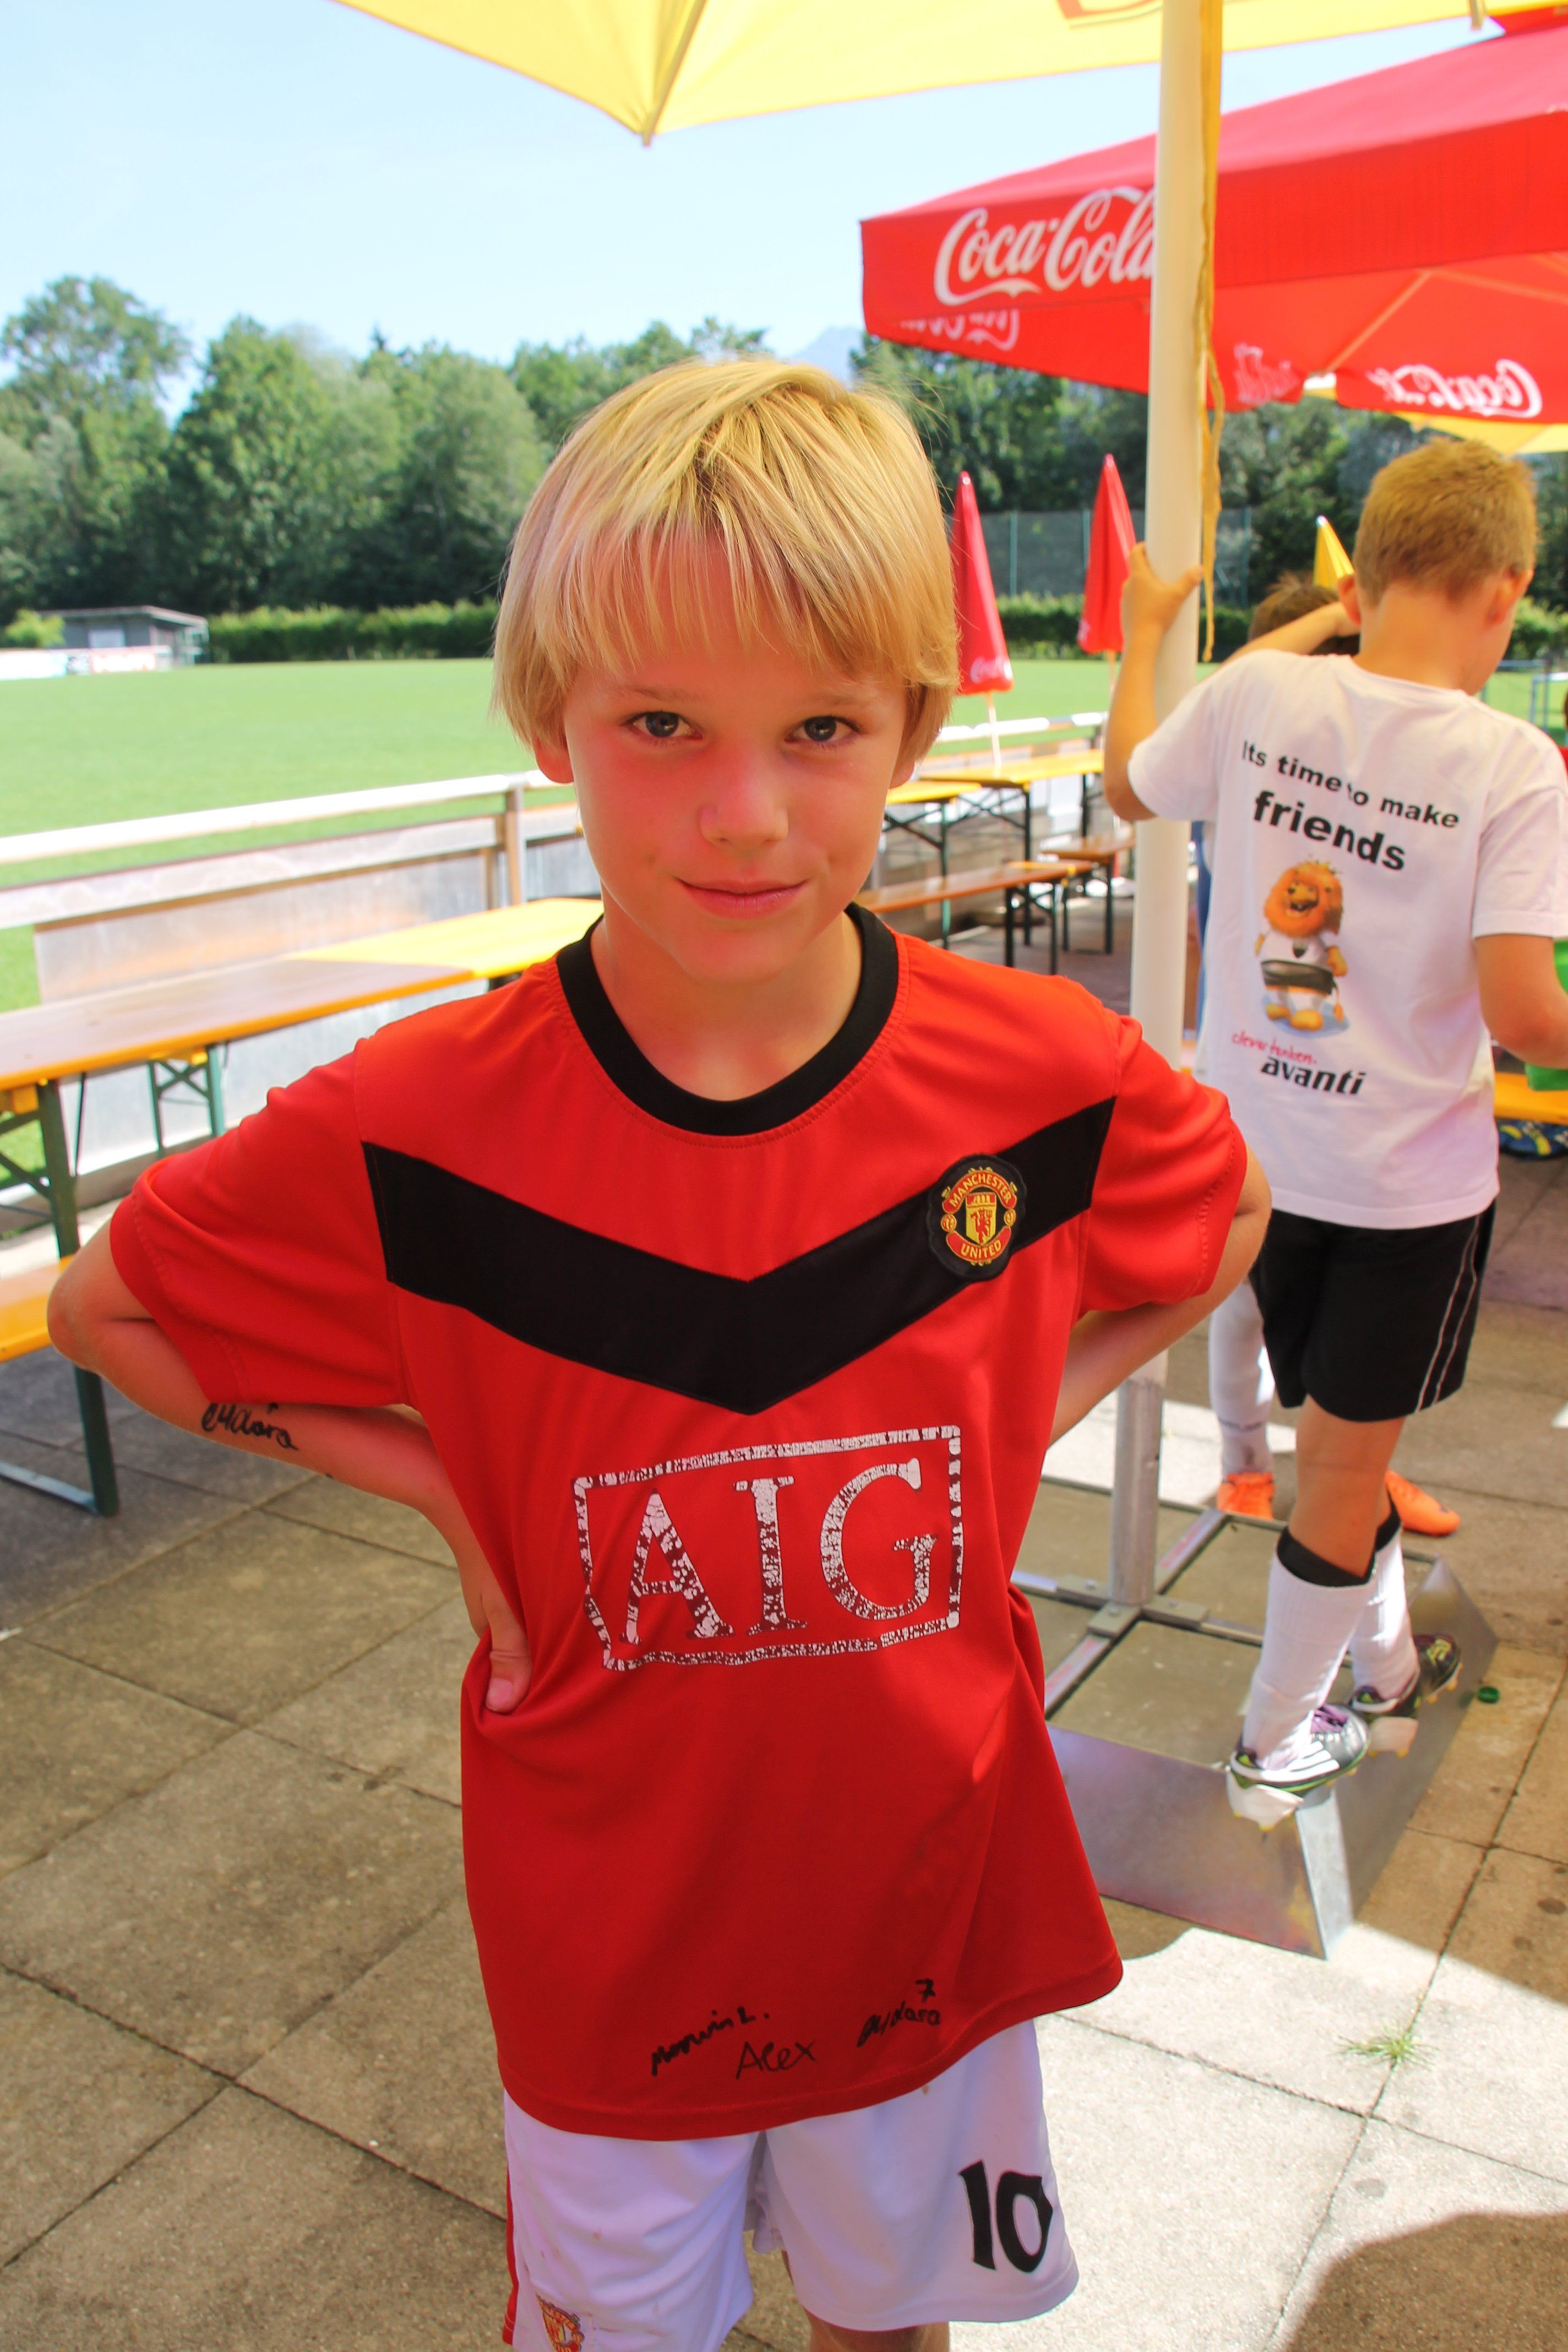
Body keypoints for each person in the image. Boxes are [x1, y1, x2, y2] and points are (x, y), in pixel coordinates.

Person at [50, 362, 1268, 2352]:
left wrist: (1023, 1408)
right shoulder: (419, 1121)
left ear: (911, 726)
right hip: (610, 1935)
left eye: (818, 729)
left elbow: (1222, 1213)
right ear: (553, 723)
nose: (745, 810)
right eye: (661, 726)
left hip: (926, 1888)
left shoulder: (1039, 1074)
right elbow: (111, 1311)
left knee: (887, 2322)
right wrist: (437, 1483)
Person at [1103, 437, 1568, 1826]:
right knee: (1342, 1470)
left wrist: (1144, 631)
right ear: (1508, 588)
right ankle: (1273, 1743)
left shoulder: (1259, 692)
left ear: (1360, 576)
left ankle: (1380, 1667)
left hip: (1252, 1170)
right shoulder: (1510, 763)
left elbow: (1129, 779)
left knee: (1332, 1460)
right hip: (1397, 1192)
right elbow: (1524, 1014)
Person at [1205, 578, 1459, 1540]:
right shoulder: (1246, 766)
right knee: (1243, 1303)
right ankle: (1245, 1464)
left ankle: (1357, 1473)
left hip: (1358, 1125)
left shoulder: (1380, 776)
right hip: (1264, 1105)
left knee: (1358, 1337)